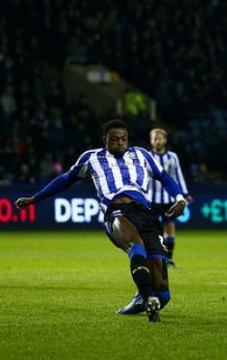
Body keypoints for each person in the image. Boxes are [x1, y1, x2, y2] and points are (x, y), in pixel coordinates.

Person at [15, 119, 187, 322]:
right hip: (116, 212)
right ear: (105, 140)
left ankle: (144, 298)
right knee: (136, 245)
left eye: (124, 139)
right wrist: (35, 198)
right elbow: (65, 179)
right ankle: (149, 300)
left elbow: (165, 178)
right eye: (115, 139)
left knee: (164, 295)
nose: (120, 142)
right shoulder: (92, 158)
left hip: (145, 214)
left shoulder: (142, 154)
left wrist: (180, 198)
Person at [149, 128, 193, 266]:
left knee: (170, 227)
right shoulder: (147, 157)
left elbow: (178, 175)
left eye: (160, 138)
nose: (157, 141)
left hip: (169, 200)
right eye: (155, 139)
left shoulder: (172, 157)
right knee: (155, 230)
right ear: (151, 141)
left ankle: (168, 258)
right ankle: (158, 257)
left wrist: (184, 194)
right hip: (151, 199)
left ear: (165, 140)